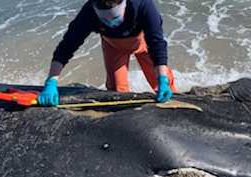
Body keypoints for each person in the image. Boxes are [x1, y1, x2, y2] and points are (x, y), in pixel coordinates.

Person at [38, 0, 177, 106]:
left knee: (162, 85)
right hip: (113, 45)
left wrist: (163, 80)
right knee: (117, 91)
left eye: (115, 17)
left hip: (141, 42)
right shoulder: (88, 13)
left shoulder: (143, 5)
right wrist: (51, 81)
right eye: (105, 19)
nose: (111, 22)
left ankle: (174, 95)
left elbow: (157, 43)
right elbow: (66, 47)